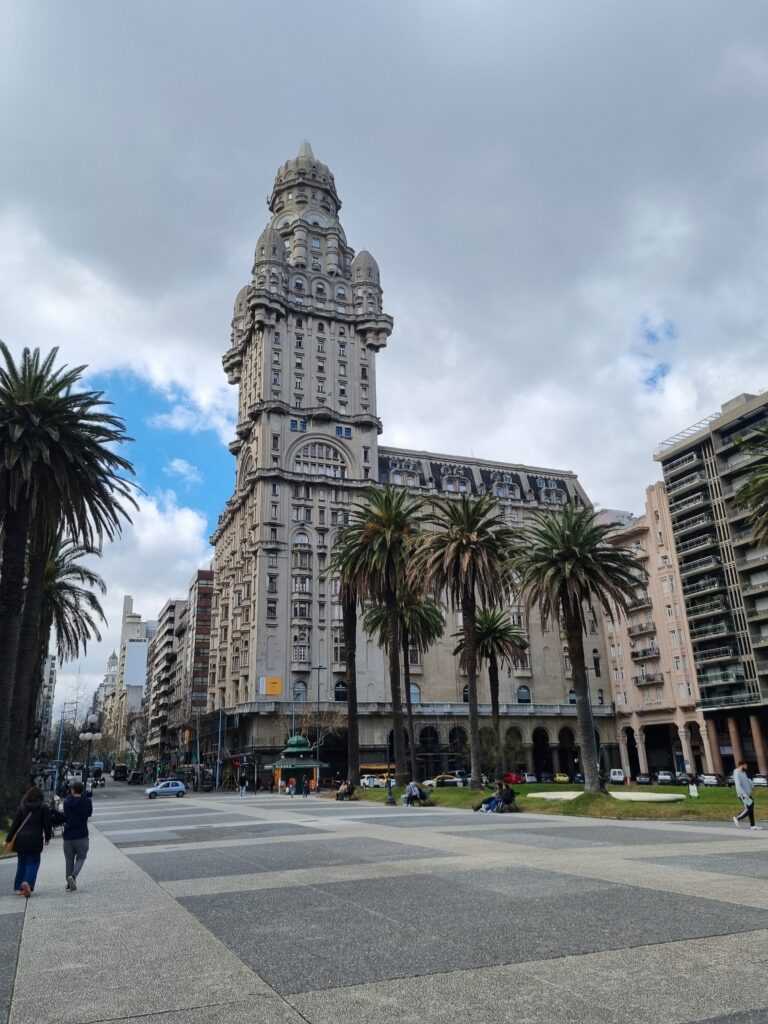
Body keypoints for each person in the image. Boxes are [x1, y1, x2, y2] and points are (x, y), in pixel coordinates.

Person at [5, 786, 52, 897]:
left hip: (21, 840)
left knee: (21, 863)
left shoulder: (22, 807)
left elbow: (14, 825)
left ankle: (18, 888)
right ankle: (28, 884)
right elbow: (47, 824)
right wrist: (48, 837)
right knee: (33, 862)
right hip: (35, 840)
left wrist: (8, 840)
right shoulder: (43, 807)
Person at [62, 780, 93, 891]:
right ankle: (73, 876)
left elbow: (66, 814)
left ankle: (69, 883)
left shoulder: (67, 802)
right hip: (82, 835)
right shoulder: (87, 801)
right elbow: (89, 813)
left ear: (73, 790)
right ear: (82, 790)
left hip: (68, 836)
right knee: (81, 857)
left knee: (69, 860)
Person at [733, 760, 762, 831]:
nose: (746, 767)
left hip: (748, 794)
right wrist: (744, 794)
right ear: (741, 765)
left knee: (750, 808)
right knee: (749, 808)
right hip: (743, 794)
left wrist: (752, 785)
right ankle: (737, 818)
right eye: (746, 766)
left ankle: (752, 825)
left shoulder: (743, 772)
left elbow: (748, 780)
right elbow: (738, 785)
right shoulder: (737, 773)